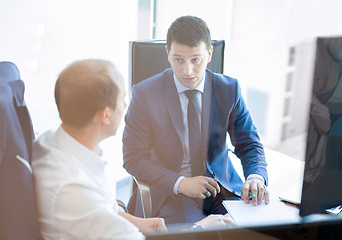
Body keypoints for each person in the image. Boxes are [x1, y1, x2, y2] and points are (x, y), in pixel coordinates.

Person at [32, 59, 231, 240]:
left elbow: (100, 212)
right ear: (106, 115)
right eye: (122, 99)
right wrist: (200, 228)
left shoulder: (51, 141)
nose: (126, 105)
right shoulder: (74, 189)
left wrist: (141, 223)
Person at [123, 15, 269, 224]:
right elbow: (133, 158)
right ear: (168, 53)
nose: (187, 71)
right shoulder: (145, 94)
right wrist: (181, 183)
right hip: (172, 194)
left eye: (196, 60)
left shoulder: (229, 89)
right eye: (179, 60)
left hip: (223, 190)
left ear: (209, 54)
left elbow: (249, 143)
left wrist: (255, 177)